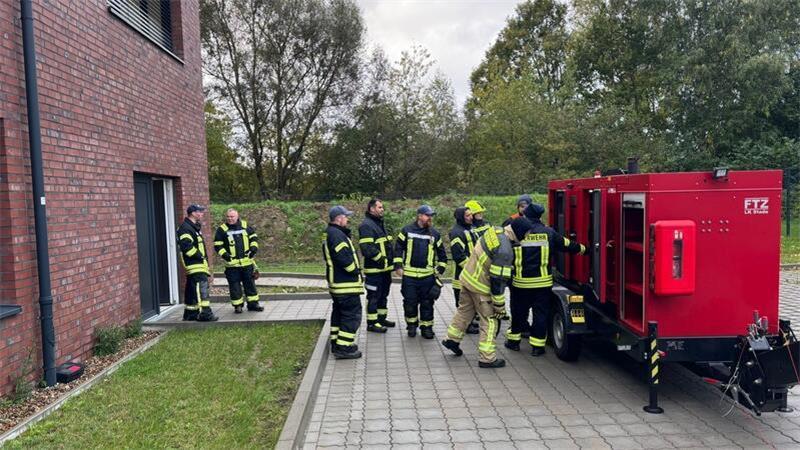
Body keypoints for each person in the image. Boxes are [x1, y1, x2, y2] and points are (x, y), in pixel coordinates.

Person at [441, 220, 531, 368]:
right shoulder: (505, 251)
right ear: (519, 232)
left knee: (464, 312)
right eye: (526, 234)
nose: (526, 237)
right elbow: (498, 281)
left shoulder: (495, 231)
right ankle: (487, 358)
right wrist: (499, 305)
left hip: (467, 279)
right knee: (490, 321)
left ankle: (451, 340)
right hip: (481, 287)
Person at [504, 206, 587, 356]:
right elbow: (567, 245)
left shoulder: (517, 232)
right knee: (540, 314)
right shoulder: (549, 232)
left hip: (521, 283)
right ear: (540, 217)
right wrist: (585, 249)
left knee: (519, 313)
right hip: (542, 283)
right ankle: (537, 347)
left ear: (526, 215)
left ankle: (513, 342)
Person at [393, 205, 447, 339]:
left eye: (431, 216)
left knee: (427, 304)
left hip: (427, 277)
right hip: (409, 277)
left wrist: (440, 269)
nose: (430, 218)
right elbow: (398, 248)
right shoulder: (407, 230)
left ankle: (426, 328)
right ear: (419, 216)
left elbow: (442, 255)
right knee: (410, 303)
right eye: (427, 215)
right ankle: (411, 326)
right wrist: (398, 266)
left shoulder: (434, 234)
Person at [323, 205, 364, 359]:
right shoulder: (337, 235)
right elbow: (343, 257)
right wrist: (355, 270)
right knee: (351, 316)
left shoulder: (331, 233)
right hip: (345, 285)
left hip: (338, 285)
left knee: (339, 314)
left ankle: (337, 342)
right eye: (346, 216)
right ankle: (344, 347)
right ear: (339, 218)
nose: (347, 219)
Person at [214, 209, 263, 313]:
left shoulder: (245, 226)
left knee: (250, 284)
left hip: (247, 263)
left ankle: (253, 304)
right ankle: (238, 306)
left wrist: (253, 248)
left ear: (237, 216)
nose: (230, 219)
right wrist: (225, 255)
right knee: (234, 286)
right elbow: (218, 245)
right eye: (228, 217)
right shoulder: (222, 229)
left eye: (232, 217)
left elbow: (254, 238)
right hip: (232, 265)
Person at [358, 199, 396, 333]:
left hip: (385, 270)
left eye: (382, 207)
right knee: (373, 297)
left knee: (383, 295)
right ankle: (372, 323)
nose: (382, 209)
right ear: (372, 209)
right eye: (380, 207)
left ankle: (381, 319)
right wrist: (383, 260)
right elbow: (366, 248)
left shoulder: (379, 223)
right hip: (374, 270)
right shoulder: (366, 225)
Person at [177, 204, 218, 322]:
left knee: (191, 290)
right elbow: (186, 247)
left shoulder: (193, 227)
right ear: (193, 213)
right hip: (195, 264)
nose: (202, 214)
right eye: (200, 212)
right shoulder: (185, 228)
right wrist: (199, 256)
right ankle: (206, 314)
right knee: (202, 288)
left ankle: (190, 314)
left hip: (198, 264)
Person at [448, 207, 479, 334]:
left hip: (472, 273)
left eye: (471, 215)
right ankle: (465, 326)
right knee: (463, 304)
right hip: (462, 275)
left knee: (471, 302)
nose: (471, 217)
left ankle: (469, 322)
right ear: (461, 217)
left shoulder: (469, 229)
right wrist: (472, 268)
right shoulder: (457, 232)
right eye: (467, 215)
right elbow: (458, 256)